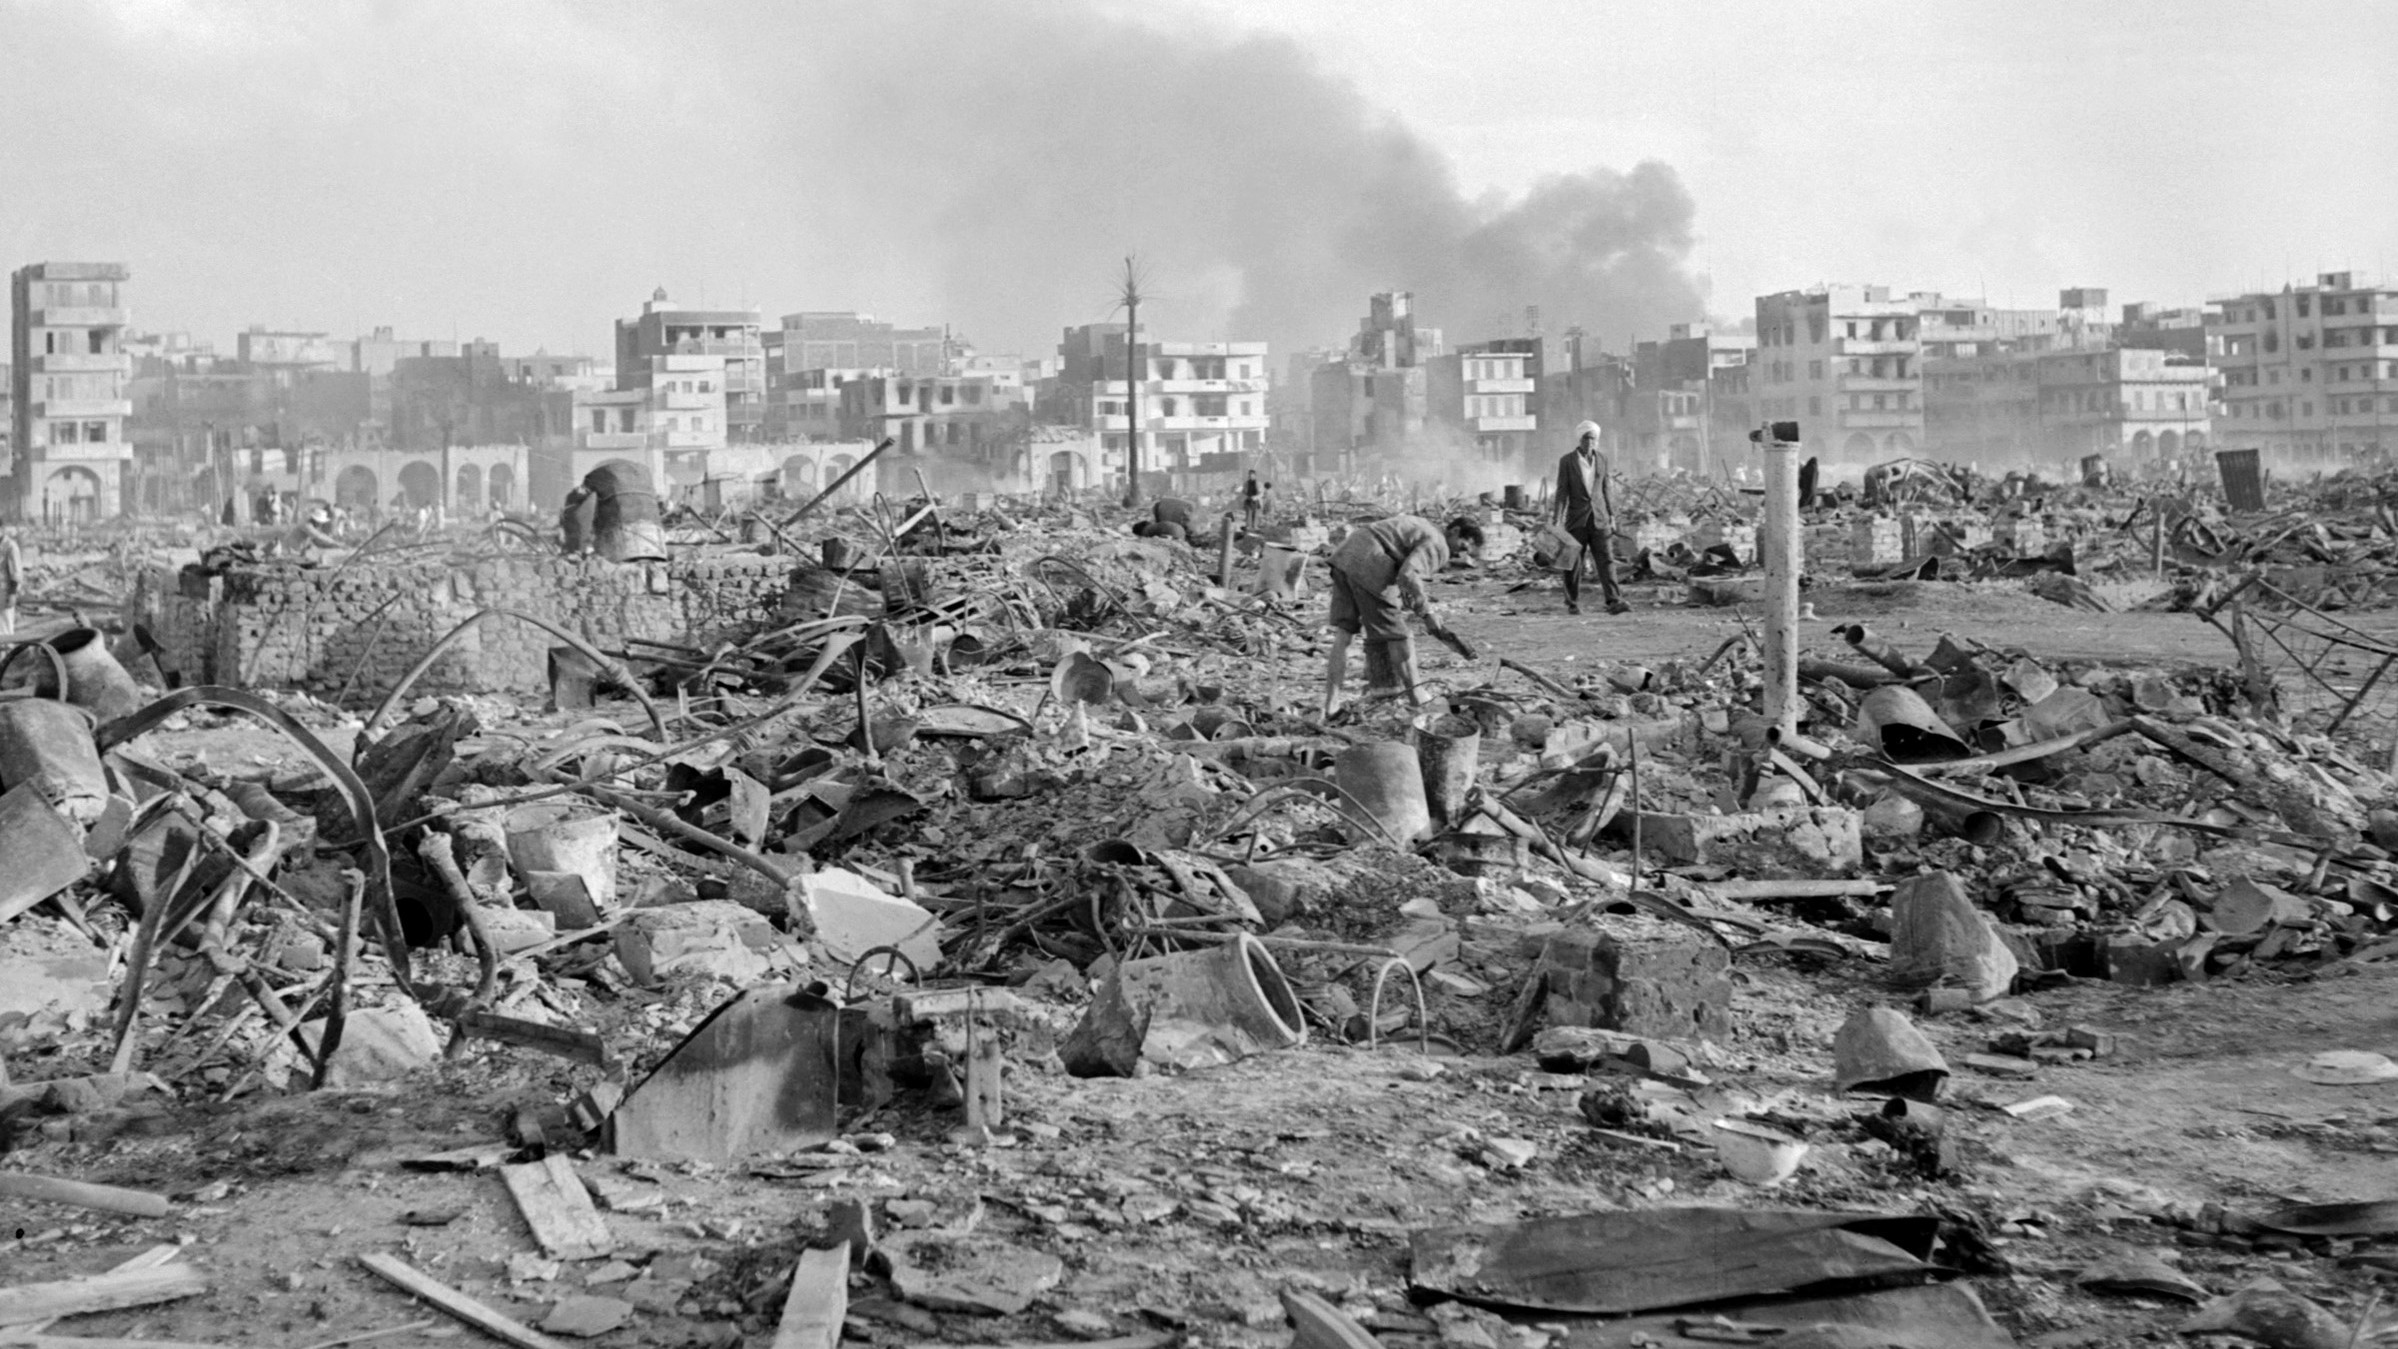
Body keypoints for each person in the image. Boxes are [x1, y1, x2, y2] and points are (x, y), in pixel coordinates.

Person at [1320, 514, 1483, 719]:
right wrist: (1426, 613)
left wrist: (1416, 605)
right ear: (1455, 531)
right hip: (1371, 561)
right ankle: (1417, 700)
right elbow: (1408, 574)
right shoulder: (1439, 543)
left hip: (1346, 555)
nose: (1460, 553)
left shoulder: (1423, 525)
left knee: (1344, 635)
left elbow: (1404, 579)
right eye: (1463, 546)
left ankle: (1330, 707)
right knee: (1401, 636)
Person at [1553, 420, 1627, 615]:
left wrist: (1612, 514)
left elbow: (1606, 489)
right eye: (1586, 438)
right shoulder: (1567, 461)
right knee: (1572, 562)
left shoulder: (1602, 459)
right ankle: (1572, 603)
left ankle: (1614, 600)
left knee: (1606, 560)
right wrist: (1557, 519)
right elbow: (1562, 492)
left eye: (1593, 439)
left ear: (1597, 441)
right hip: (1576, 519)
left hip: (1599, 518)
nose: (1590, 443)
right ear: (1580, 440)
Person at [0, 525, 21, 636]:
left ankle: (7, 652)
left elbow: (16, 572)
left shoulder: (10, 546)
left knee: (5, 630)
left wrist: (12, 594)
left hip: (4, 593)